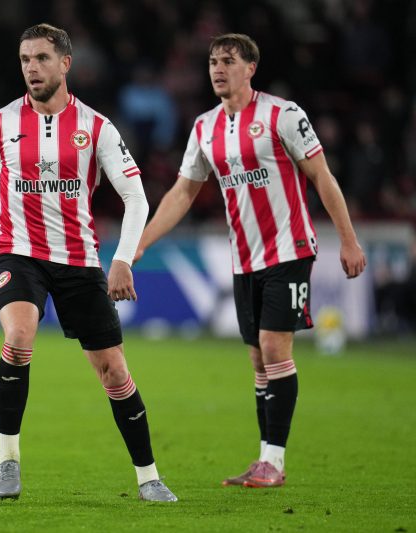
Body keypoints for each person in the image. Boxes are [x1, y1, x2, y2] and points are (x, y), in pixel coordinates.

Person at [0, 23, 177, 502]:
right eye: (24, 60)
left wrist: (122, 259)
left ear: (65, 63)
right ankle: (10, 461)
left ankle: (149, 477)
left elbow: (136, 197)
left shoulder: (96, 127)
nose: (32, 68)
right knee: (18, 338)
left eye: (41, 58)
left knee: (114, 372)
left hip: (80, 261)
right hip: (19, 253)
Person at [133, 33, 367, 488]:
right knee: (259, 360)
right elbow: (183, 192)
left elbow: (321, 176)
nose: (218, 69)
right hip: (243, 259)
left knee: (276, 348)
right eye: (212, 62)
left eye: (228, 61)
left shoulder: (283, 114)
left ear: (250, 68)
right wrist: (142, 242)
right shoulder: (204, 127)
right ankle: (264, 458)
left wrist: (349, 240)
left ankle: (275, 463)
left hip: (290, 249)